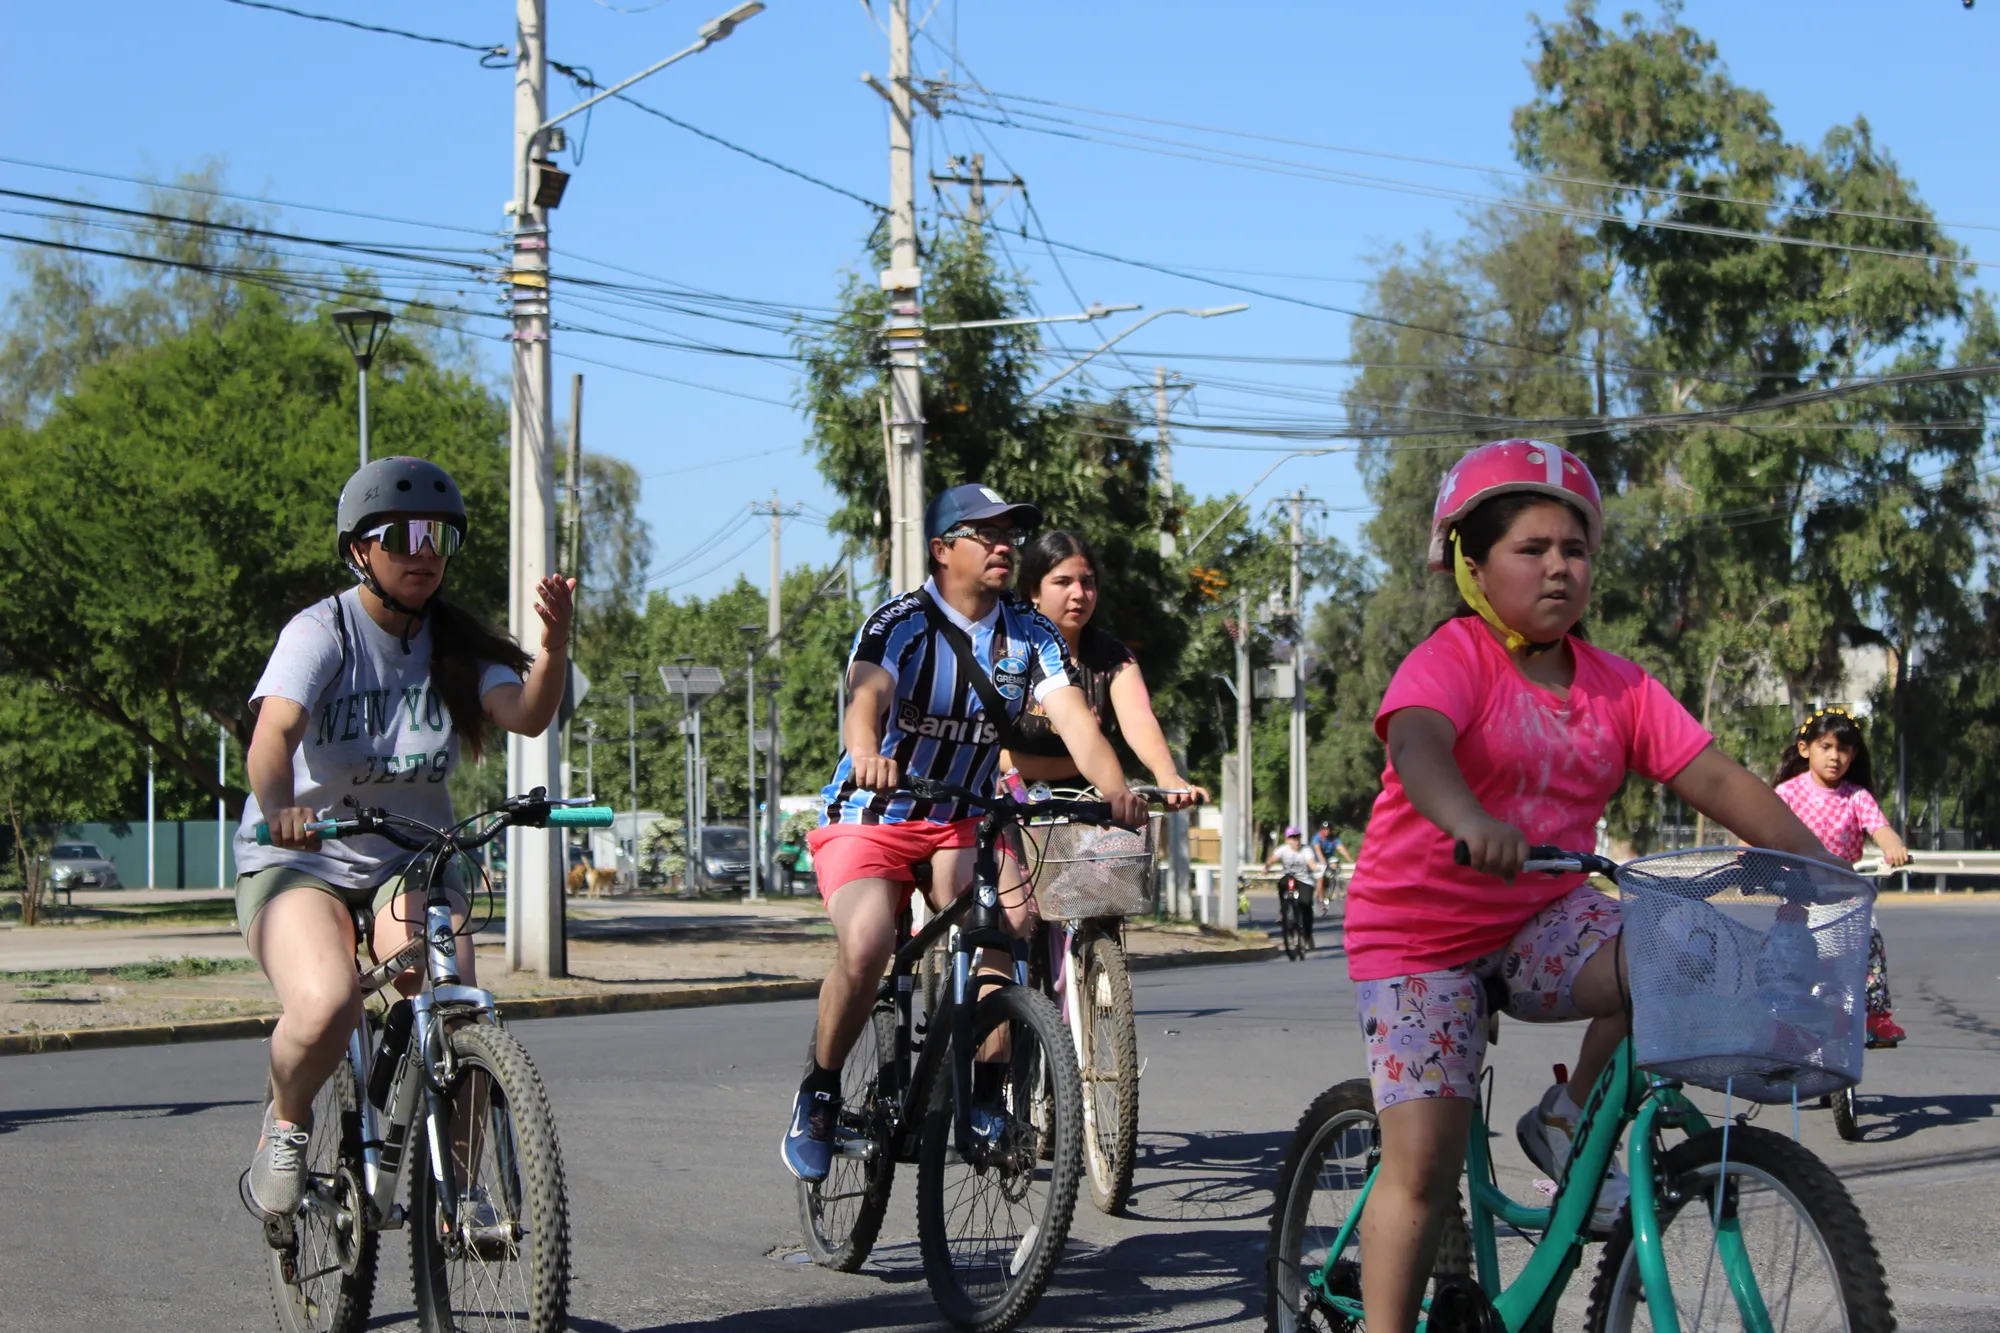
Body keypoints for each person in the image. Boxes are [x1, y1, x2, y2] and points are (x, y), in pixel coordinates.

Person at [1343, 438, 1834, 1333]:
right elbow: (1418, 745)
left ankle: (1567, 1113)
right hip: (1420, 938)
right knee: (1422, 1162)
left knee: (1680, 940)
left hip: (1543, 918)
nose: (1559, 568)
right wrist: (1467, 821)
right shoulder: (1454, 658)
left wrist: (1817, 862)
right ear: (1474, 564)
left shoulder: (1618, 687)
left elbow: (1719, 780)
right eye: (1531, 550)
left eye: (1575, 550)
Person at [235, 456, 574, 1223]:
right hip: (302, 858)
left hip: (410, 858)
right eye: (402, 535)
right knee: (324, 1005)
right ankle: (287, 1122)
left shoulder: (455, 644)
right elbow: (272, 735)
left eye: (439, 537)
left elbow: (525, 712)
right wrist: (279, 805)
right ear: (360, 548)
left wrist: (554, 642)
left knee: (458, 1007)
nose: (423, 551)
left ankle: (463, 1191)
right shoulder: (322, 632)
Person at [782, 484, 1147, 1183]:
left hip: (963, 818)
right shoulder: (899, 623)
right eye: (985, 533)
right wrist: (866, 750)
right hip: (875, 816)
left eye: (1009, 533)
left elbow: (1075, 720)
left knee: (1010, 922)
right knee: (867, 945)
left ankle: (986, 1096)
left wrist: (1117, 791)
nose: (1004, 544)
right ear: (944, 548)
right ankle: (820, 1091)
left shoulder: (1030, 634)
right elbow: (865, 696)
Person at [1004, 530, 1208, 810]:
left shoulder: (1113, 657)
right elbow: (989, 754)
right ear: (1034, 591)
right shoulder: (1004, 652)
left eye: (1087, 582)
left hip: (1086, 817)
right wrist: (1081, 765)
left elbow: (1139, 720)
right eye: (1063, 582)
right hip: (1005, 809)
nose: (1079, 594)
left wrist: (1168, 776)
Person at [1773, 706, 1911, 1046]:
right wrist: (1747, 851)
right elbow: (1758, 828)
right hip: (1797, 898)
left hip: (1845, 898)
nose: (1835, 756)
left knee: (1871, 942)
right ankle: (1782, 1029)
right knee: (1781, 962)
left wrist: (1894, 846)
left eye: (1844, 749)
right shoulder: (1788, 793)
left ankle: (1875, 1017)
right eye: (1826, 746)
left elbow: (1881, 829)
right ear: (1805, 749)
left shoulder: (1856, 796)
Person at [1267, 825, 1323, 947]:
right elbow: (1273, 858)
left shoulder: (1306, 850)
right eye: (1292, 838)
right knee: (1282, 883)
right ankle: (1284, 910)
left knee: (1306, 905)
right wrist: (1267, 866)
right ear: (1287, 840)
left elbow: (1311, 862)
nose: (1296, 841)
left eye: (1297, 837)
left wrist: (1315, 867)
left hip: (1305, 881)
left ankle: (1308, 935)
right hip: (1290, 879)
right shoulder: (1283, 849)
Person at [1309, 819, 1354, 912]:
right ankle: (1321, 901)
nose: (1327, 831)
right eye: (1325, 829)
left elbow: (1341, 848)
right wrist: (1322, 861)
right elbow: (1317, 850)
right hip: (1317, 860)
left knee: (1335, 868)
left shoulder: (1334, 839)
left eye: (1329, 829)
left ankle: (1333, 885)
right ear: (1321, 830)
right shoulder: (1317, 838)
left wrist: (1349, 859)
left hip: (1329, 859)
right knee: (1320, 878)